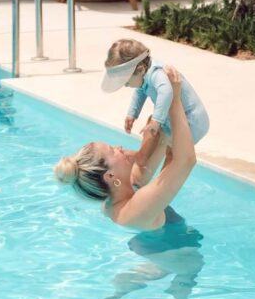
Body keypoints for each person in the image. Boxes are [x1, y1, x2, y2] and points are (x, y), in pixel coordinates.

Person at [54, 67, 197, 230]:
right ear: (110, 175)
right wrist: (175, 100)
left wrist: (156, 121)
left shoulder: (118, 196)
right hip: (177, 253)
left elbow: (160, 145)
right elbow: (185, 161)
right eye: (113, 150)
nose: (119, 147)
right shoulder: (134, 211)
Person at [101, 39, 209, 188]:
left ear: (139, 69)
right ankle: (142, 166)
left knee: (172, 155)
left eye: (125, 81)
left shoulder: (158, 73)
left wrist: (156, 121)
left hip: (192, 121)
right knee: (154, 132)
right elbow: (140, 91)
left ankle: (160, 190)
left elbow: (167, 92)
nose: (125, 85)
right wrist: (132, 114)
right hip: (174, 119)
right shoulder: (144, 73)